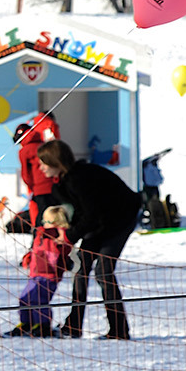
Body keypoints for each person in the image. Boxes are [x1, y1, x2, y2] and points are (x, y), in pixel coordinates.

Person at [38, 139, 142, 340]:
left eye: (43, 162)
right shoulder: (66, 182)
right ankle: (73, 326)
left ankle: (119, 330)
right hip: (101, 224)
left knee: (104, 272)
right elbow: (83, 214)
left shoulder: (80, 179)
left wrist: (68, 236)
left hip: (120, 220)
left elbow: (91, 215)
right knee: (80, 267)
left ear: (55, 161)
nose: (41, 167)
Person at [8, 204, 73, 337]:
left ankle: (43, 325)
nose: (44, 224)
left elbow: (63, 243)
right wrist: (29, 257)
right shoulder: (41, 235)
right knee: (25, 298)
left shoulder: (59, 237)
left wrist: (59, 231)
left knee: (40, 300)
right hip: (35, 274)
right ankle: (27, 323)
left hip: (49, 276)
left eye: (47, 222)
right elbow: (36, 249)